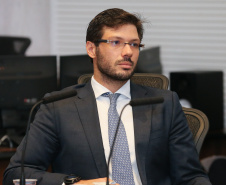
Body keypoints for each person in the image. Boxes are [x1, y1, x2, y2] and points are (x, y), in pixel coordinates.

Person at [3, 8, 211, 185]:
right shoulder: (58, 106)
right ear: (91, 49)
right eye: (116, 42)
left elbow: (191, 176)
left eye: (134, 44)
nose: (128, 52)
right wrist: (76, 183)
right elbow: (17, 173)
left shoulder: (164, 103)